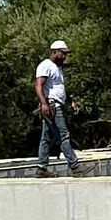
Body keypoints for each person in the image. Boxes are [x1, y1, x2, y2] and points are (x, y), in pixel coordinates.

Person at [33, 39, 80, 175]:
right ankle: (75, 166)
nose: (65, 56)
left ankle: (41, 168)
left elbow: (58, 88)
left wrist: (69, 100)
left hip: (55, 105)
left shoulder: (57, 68)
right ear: (54, 52)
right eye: (62, 53)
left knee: (46, 137)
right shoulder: (45, 65)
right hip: (52, 106)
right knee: (63, 135)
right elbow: (38, 85)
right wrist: (43, 104)